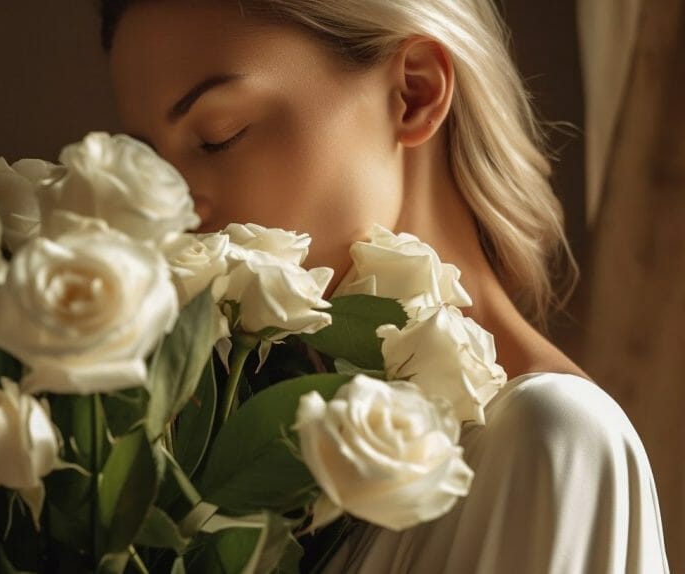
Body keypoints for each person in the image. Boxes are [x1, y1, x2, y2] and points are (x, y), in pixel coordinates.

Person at [99, 0, 669, 572]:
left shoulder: (550, 441)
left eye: (220, 134)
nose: (172, 208)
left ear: (415, 92)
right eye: (150, 166)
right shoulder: (227, 469)